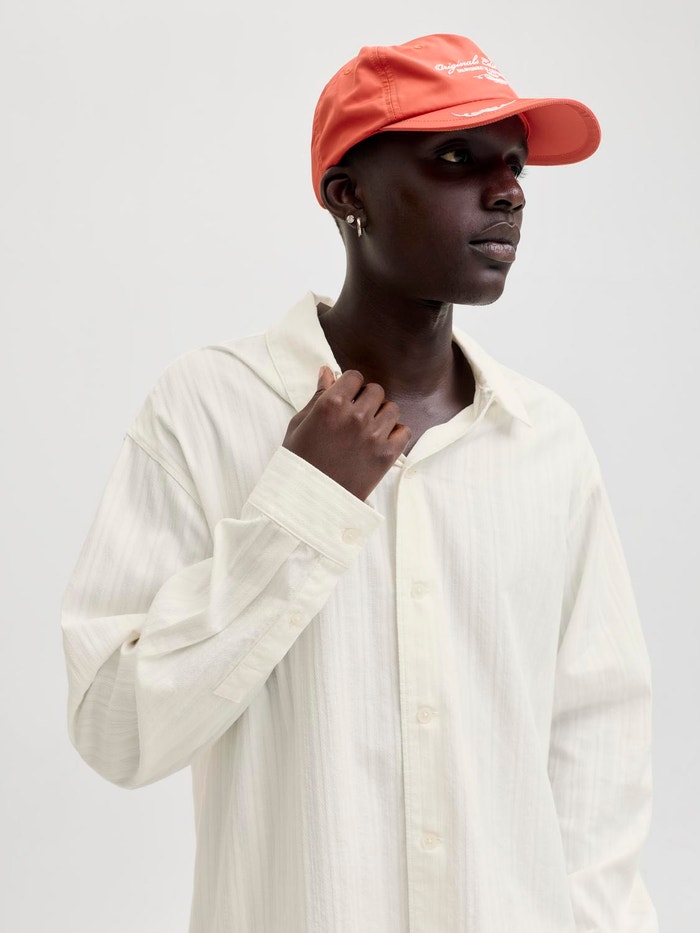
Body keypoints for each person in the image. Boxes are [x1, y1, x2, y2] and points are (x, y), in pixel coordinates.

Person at [61, 33, 657, 932]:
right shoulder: (207, 407)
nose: (508, 192)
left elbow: (598, 760)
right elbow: (115, 728)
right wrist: (302, 504)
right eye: (456, 158)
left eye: (515, 164)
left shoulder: (547, 442)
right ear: (349, 194)